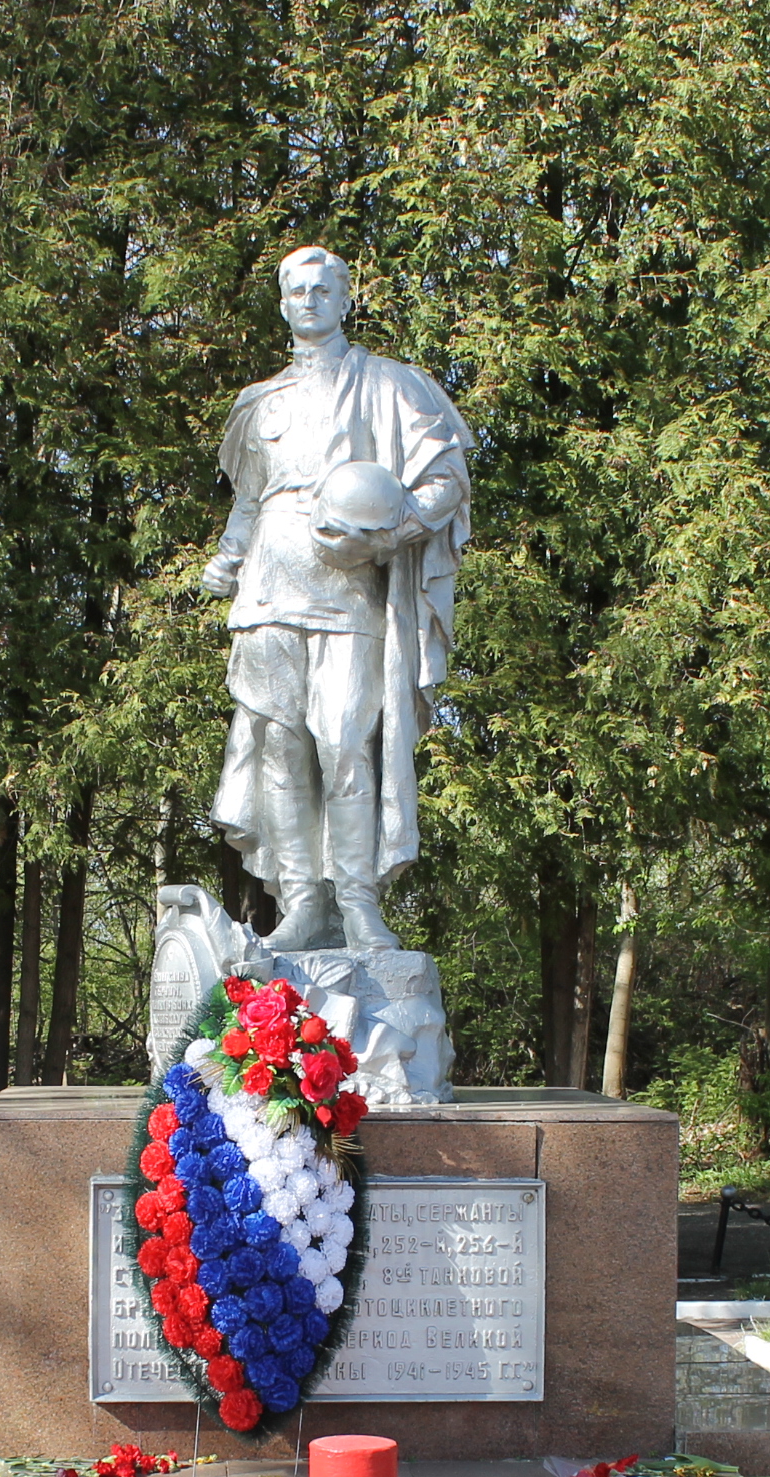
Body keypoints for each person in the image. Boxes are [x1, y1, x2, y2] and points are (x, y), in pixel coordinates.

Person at [200, 246, 473, 953]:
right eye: (297, 291)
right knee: (280, 747)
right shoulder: (260, 404)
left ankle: (357, 902)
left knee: (347, 741)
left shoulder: (389, 385)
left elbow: (446, 477)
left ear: (346, 298)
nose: (310, 301)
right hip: (267, 589)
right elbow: (249, 501)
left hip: (350, 592)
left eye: (323, 289)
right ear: (282, 304)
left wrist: (389, 536)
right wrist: (228, 558)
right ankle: (301, 905)